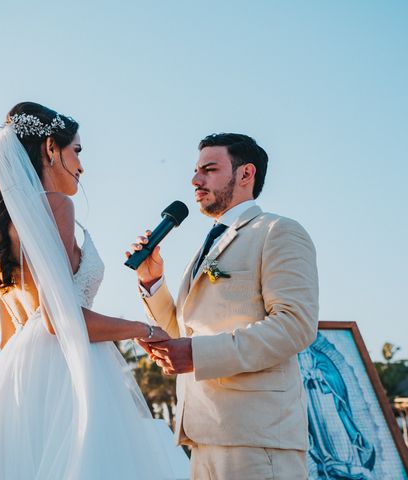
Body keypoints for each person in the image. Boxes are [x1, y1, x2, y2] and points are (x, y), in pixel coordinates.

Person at [0, 102, 173, 479]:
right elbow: (58, 320)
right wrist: (142, 330)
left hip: (17, 379)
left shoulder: (4, 225)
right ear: (50, 149)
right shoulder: (57, 206)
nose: (82, 165)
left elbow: (13, 330)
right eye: (76, 151)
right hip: (67, 372)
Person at [129, 133, 319, 479]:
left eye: (209, 169)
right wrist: (152, 281)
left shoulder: (278, 231)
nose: (195, 180)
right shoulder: (205, 247)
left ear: (246, 174)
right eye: (196, 171)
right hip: (202, 435)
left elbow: (295, 325)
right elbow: (182, 333)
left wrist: (198, 354)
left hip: (257, 440)